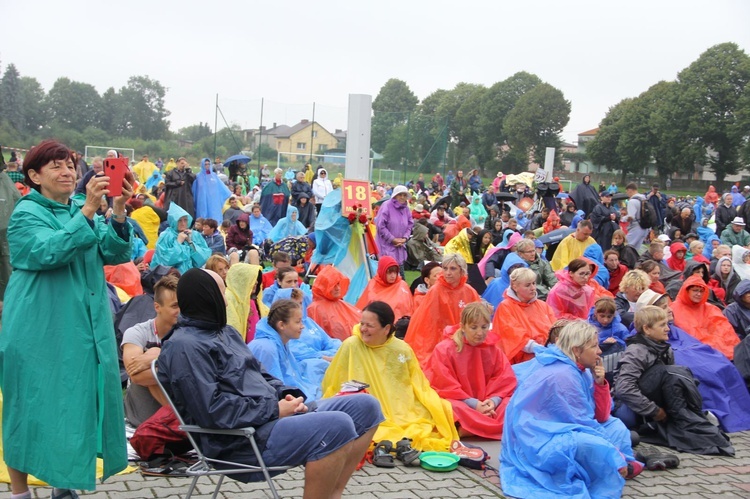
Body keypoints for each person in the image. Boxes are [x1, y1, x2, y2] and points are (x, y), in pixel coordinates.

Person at [157, 268, 383, 495]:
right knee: (338, 425)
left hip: (267, 419)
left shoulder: (226, 333)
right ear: (206, 297)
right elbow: (212, 410)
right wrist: (273, 410)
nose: (226, 302)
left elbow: (260, 375)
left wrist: (287, 395)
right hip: (240, 442)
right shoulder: (184, 346)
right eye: (221, 293)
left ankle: (333, 493)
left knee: (367, 406)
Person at [0, 140, 133, 497]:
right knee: (27, 408)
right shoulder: (26, 212)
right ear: (34, 175)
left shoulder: (78, 207)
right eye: (56, 166)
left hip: (81, 327)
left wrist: (118, 210)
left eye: (71, 165)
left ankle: (65, 484)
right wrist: (89, 210)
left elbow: (115, 250)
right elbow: (47, 252)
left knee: (73, 407)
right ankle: (19, 491)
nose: (67, 172)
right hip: (36, 329)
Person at [501, 322, 640, 499]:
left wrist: (600, 385)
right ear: (576, 351)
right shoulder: (564, 374)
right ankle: (617, 464)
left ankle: (619, 465)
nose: (599, 351)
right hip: (538, 439)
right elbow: (584, 423)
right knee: (593, 444)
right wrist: (614, 451)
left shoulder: (582, 369)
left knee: (616, 426)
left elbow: (602, 416)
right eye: (593, 346)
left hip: (564, 428)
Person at [322, 301, 458, 452]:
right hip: (363, 409)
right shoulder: (351, 345)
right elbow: (333, 381)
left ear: (386, 328)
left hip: (402, 410)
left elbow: (417, 383)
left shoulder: (402, 349)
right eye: (362, 323)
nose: (363, 329)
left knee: (442, 411)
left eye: (370, 326)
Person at [614, 306, 735, 456]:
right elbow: (623, 388)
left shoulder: (665, 349)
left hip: (649, 402)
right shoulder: (637, 351)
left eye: (667, 324)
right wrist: (654, 410)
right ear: (647, 329)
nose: (667, 329)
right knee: (670, 373)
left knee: (679, 374)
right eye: (662, 325)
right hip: (628, 409)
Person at [425, 302, 516, 439]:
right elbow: (443, 384)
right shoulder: (444, 349)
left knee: (512, 403)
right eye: (473, 328)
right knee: (448, 406)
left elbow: (504, 378)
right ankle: (488, 426)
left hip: (487, 403)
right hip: (462, 403)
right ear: (463, 327)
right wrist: (473, 404)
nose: (480, 333)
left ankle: (471, 428)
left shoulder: (493, 349)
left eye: (484, 327)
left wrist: (493, 401)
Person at [404, 254, 481, 365]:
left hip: (465, 341)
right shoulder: (435, 291)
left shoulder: (469, 291)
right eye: (445, 268)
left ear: (461, 271)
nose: (448, 272)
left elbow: (477, 319)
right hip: (441, 342)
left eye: (453, 268)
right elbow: (429, 326)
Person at [249, 299, 325, 401]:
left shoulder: (281, 343)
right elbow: (274, 392)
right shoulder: (267, 348)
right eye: (298, 322)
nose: (302, 326)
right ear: (281, 325)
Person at [492, 268, 557, 364]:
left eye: (534, 283)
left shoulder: (542, 305)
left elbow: (555, 329)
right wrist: (537, 348)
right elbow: (514, 338)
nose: (533, 288)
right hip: (521, 362)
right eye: (528, 285)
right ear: (515, 286)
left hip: (546, 354)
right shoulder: (506, 307)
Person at [671, 275, 740, 359]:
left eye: (701, 291)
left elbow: (725, 329)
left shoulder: (710, 308)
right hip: (694, 351)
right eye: (695, 290)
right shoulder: (675, 309)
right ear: (687, 290)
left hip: (717, 348)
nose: (698, 294)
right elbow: (689, 334)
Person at [151, 203, 211, 274]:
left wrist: (190, 242)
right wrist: (178, 243)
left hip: (190, 276)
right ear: (173, 221)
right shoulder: (165, 236)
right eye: (179, 220)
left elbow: (203, 259)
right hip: (170, 278)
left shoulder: (194, 235)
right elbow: (165, 261)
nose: (183, 223)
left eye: (185, 220)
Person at [307, 265, 362, 341]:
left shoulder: (342, 304)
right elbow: (317, 338)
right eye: (333, 285)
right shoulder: (315, 309)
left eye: (338, 284)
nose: (338, 288)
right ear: (323, 286)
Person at [356, 256, 414, 322]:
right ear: (382, 271)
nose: (393, 276)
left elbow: (410, 307)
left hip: (402, 325)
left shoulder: (402, 285)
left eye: (395, 272)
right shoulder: (373, 285)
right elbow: (363, 308)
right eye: (389, 272)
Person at [225, 262, 268, 343]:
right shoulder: (229, 297)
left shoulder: (253, 300)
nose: (256, 282)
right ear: (241, 279)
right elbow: (232, 328)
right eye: (252, 278)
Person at [374, 185, 414, 270]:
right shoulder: (386, 206)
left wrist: (404, 238)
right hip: (385, 247)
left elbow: (410, 225)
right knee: (387, 274)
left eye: (404, 195)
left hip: (400, 248)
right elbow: (380, 226)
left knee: (400, 278)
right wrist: (392, 239)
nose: (402, 197)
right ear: (395, 195)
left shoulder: (406, 209)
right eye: (400, 195)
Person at [624, 183, 650, 250]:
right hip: (645, 228)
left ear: (630, 190)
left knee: (626, 246)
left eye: (626, 191)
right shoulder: (644, 199)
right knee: (636, 250)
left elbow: (631, 216)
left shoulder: (632, 201)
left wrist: (623, 218)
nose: (627, 193)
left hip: (636, 227)